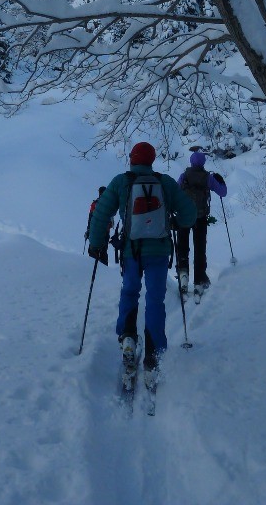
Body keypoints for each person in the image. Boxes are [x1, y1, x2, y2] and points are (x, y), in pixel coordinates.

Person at [87, 141, 197, 378]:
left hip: (131, 251)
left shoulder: (121, 182)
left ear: (132, 159)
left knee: (129, 292)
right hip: (158, 251)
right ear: (152, 160)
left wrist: (96, 244)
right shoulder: (165, 182)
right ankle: (154, 351)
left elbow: (101, 213)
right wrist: (178, 223)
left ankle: (128, 338)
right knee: (155, 299)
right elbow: (189, 212)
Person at [176, 150, 227, 297]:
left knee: (183, 248)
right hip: (201, 217)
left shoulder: (184, 176)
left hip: (184, 217)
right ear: (203, 162)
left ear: (191, 161)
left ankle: (183, 276)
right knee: (200, 249)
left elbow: (176, 193)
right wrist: (220, 181)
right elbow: (223, 193)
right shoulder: (208, 178)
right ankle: (199, 280)